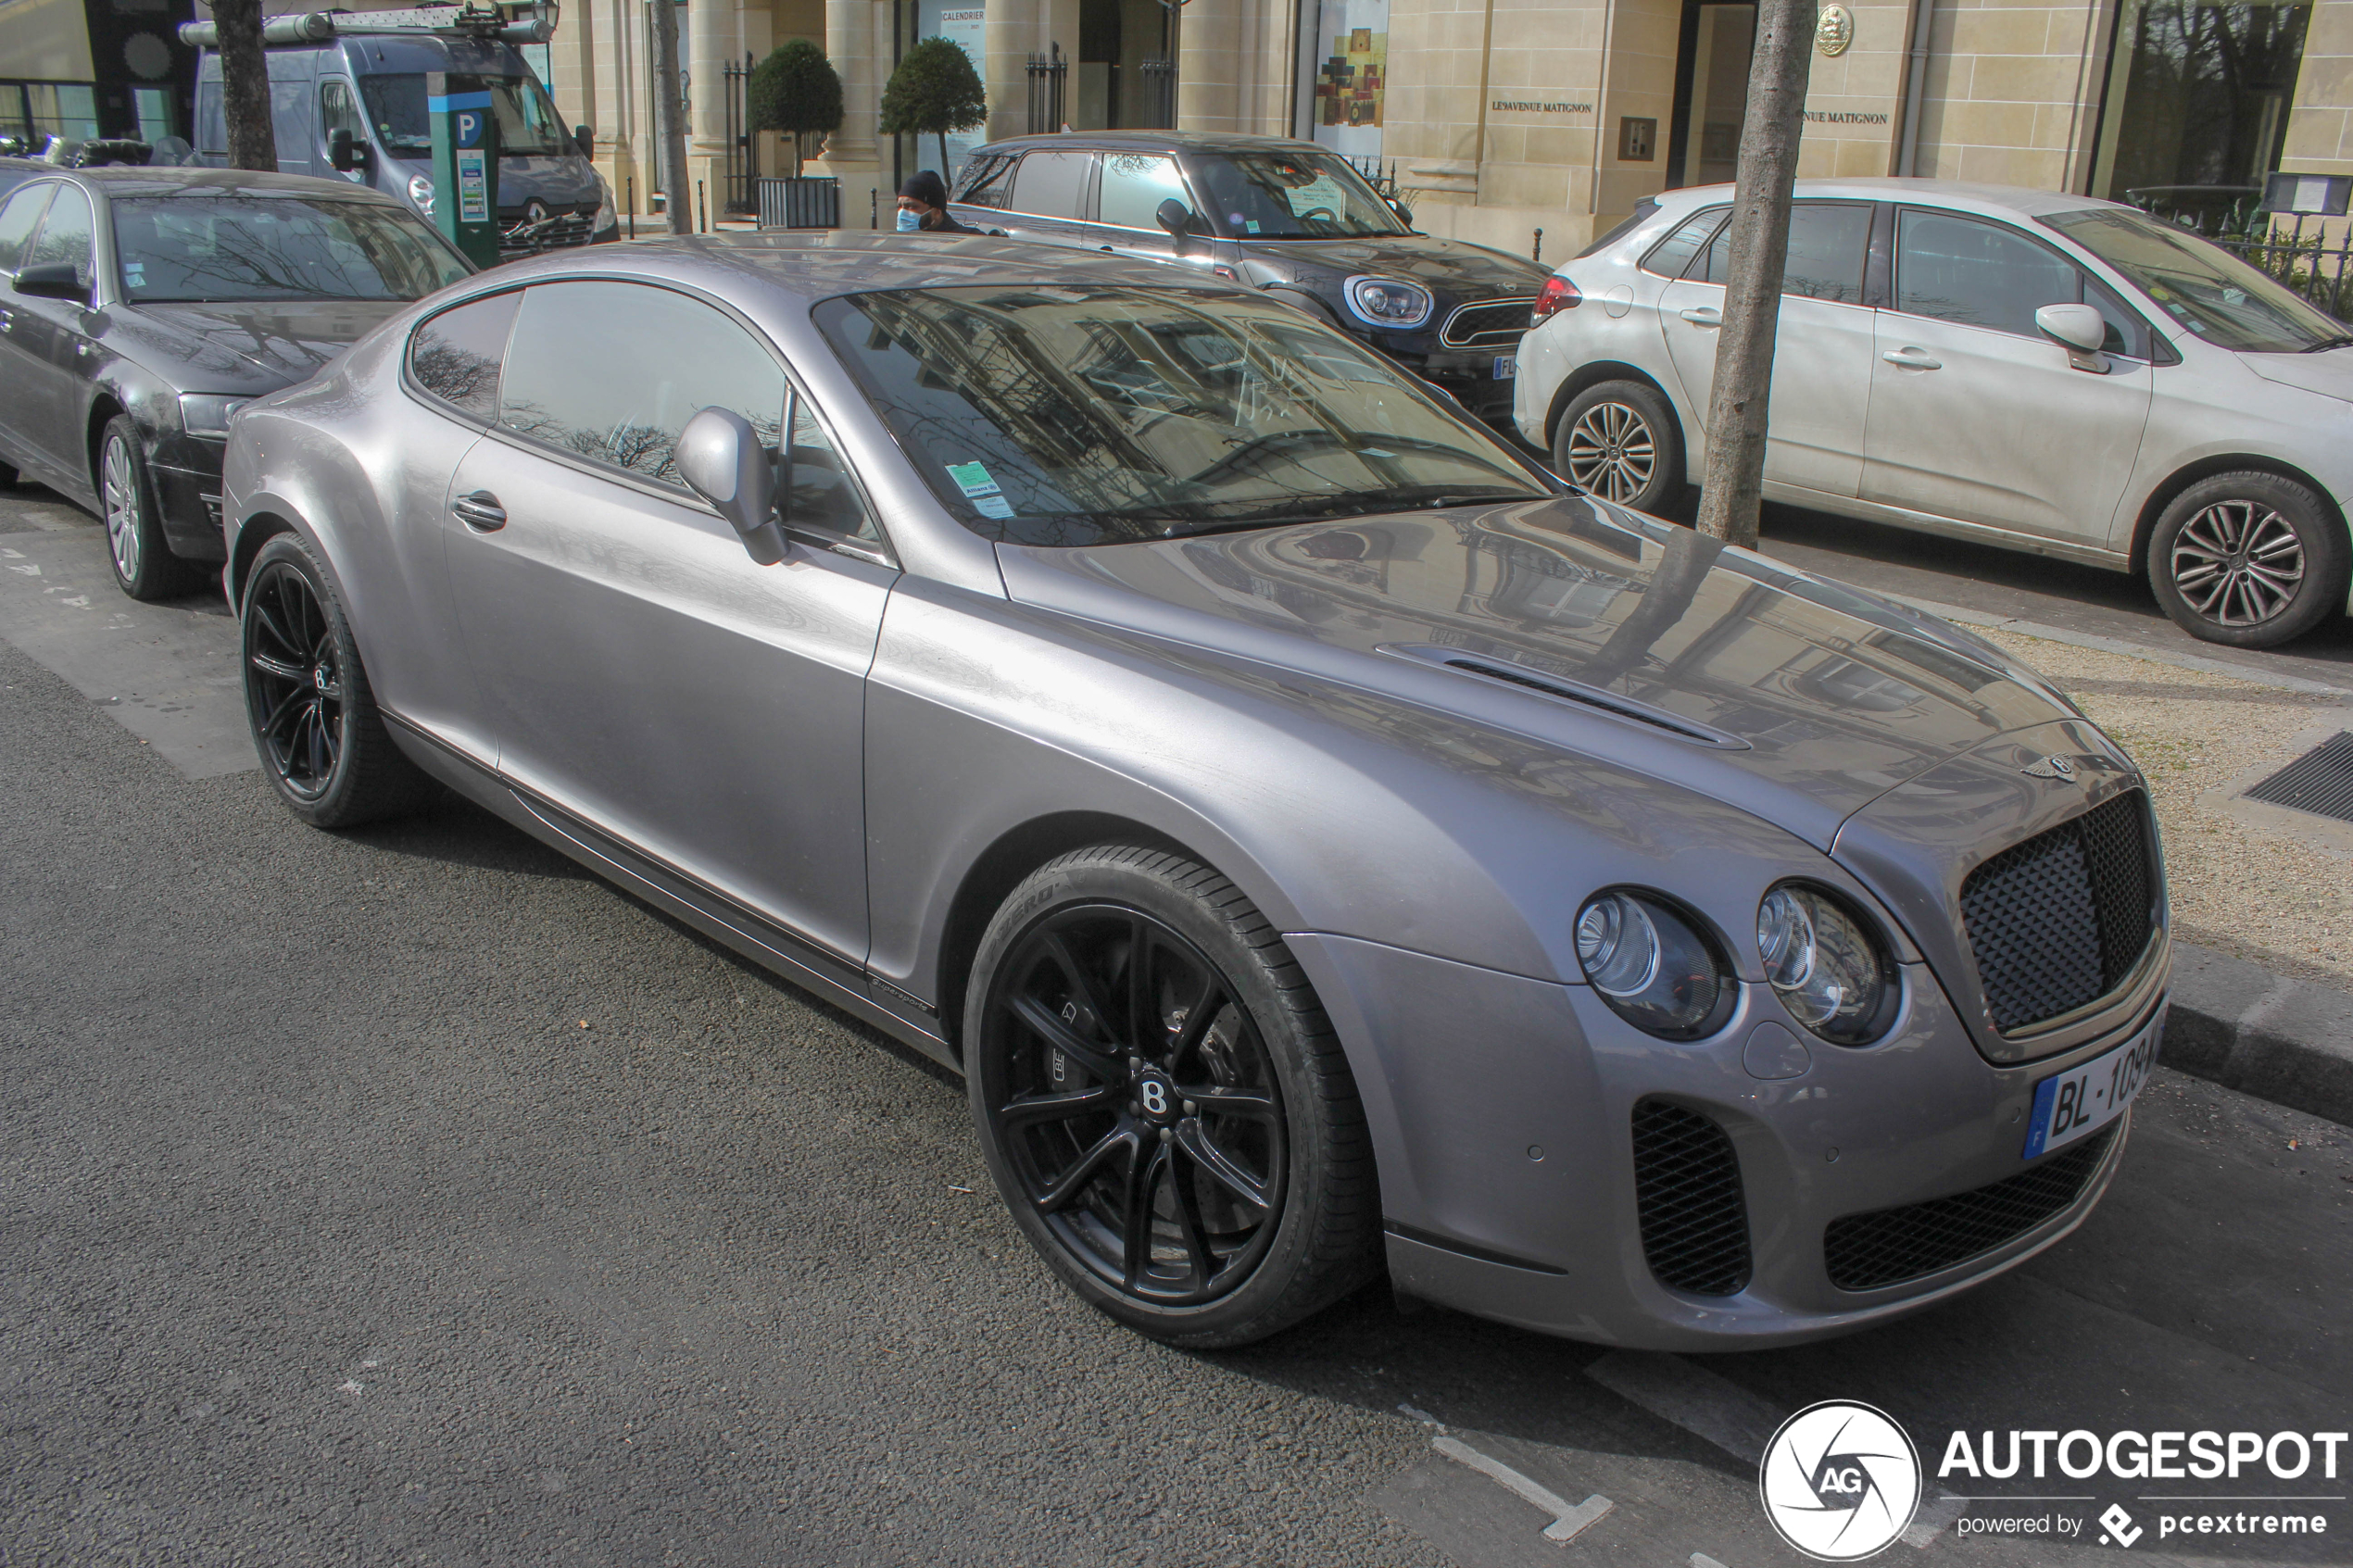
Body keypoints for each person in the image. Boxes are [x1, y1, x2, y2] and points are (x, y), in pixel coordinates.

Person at [895, 170, 978, 234]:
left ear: (937, 213)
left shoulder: (970, 240)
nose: (902, 213)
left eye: (912, 207)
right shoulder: (896, 243)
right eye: (899, 207)